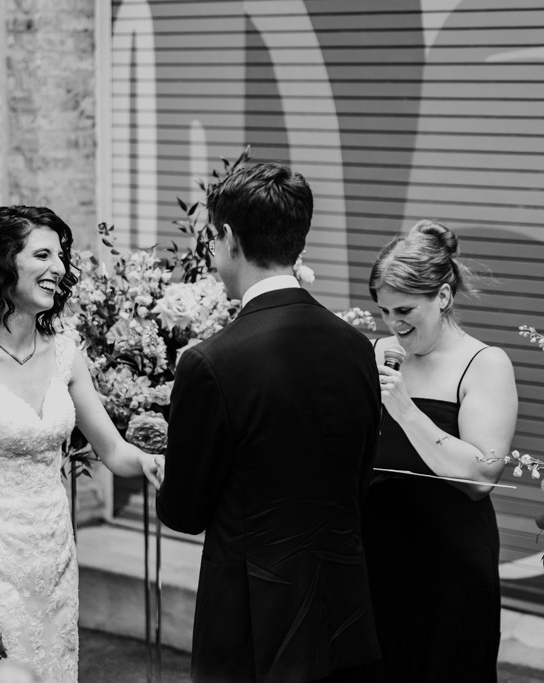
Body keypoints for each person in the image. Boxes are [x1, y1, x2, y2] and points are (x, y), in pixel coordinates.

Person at [156, 163, 383, 683]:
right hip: (343, 610)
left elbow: (185, 511)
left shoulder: (210, 363)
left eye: (212, 237)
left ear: (229, 238)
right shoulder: (356, 349)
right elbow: (356, 478)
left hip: (251, 620)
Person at [0, 205, 162, 682]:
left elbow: (114, 451)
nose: (59, 268)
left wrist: (157, 460)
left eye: (62, 256)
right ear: (3, 262)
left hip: (53, 556)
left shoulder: (66, 352)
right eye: (44, 255)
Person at [363, 219, 518, 682]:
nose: (394, 323)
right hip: (378, 554)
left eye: (405, 309)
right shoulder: (378, 351)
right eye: (384, 311)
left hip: (450, 562)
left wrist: (406, 410)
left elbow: (481, 477)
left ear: (444, 297)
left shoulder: (485, 363)